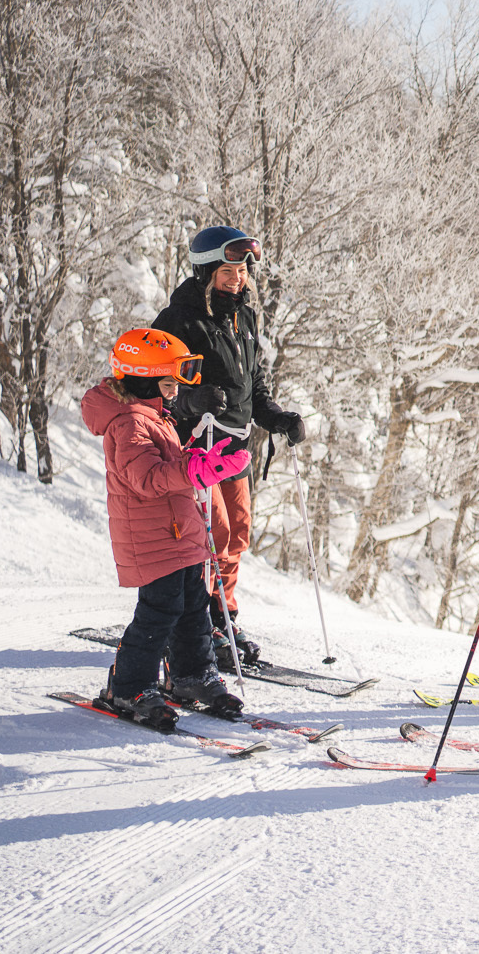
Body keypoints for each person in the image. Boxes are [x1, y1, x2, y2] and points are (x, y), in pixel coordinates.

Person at [81, 328, 251, 728]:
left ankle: (192, 675)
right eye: (169, 382)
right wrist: (196, 469)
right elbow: (147, 478)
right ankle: (129, 685)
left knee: (195, 607)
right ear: (143, 379)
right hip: (153, 540)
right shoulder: (128, 425)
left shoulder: (153, 418)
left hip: (180, 534)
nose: (175, 391)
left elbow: (168, 468)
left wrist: (198, 458)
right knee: (160, 612)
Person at [151, 224, 303, 670]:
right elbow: (148, 385)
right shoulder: (178, 321)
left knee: (236, 533)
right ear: (205, 272)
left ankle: (222, 615)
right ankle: (196, 626)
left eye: (242, 270)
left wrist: (276, 416)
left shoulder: (245, 317)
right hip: (196, 448)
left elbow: (253, 385)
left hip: (235, 448)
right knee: (211, 534)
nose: (237, 278)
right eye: (227, 271)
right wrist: (186, 399)